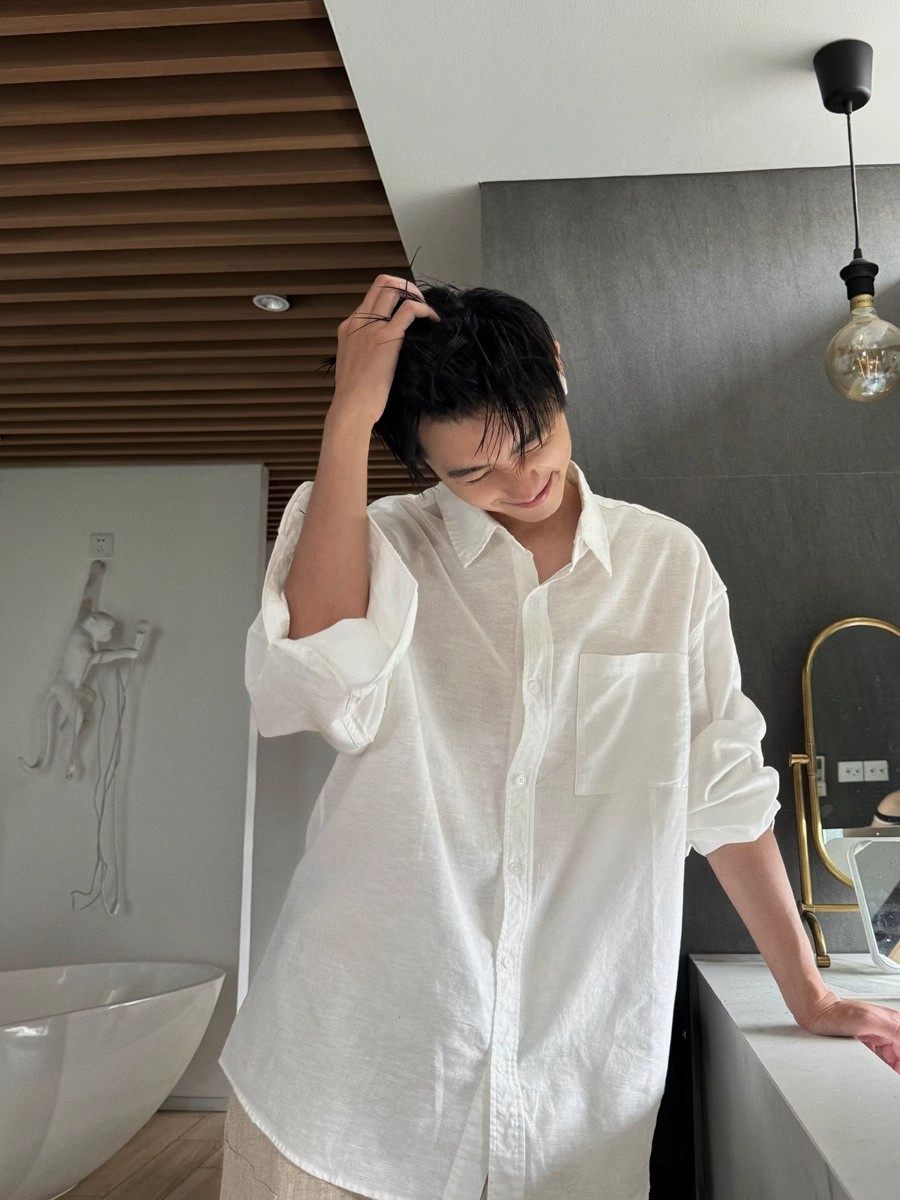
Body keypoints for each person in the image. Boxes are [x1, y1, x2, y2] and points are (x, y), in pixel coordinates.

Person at [218, 274, 884, 1200]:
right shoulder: (386, 544)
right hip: (346, 1088)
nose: (521, 480)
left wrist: (807, 991)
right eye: (472, 473)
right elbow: (309, 690)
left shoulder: (667, 566)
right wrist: (348, 417)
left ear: (559, 372)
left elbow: (723, 795)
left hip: (578, 1095)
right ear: (423, 465)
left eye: (533, 439)